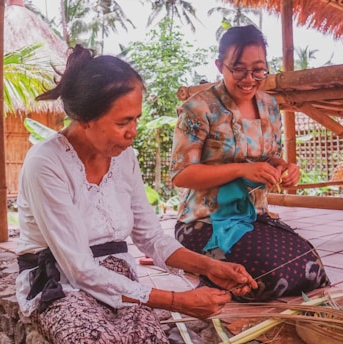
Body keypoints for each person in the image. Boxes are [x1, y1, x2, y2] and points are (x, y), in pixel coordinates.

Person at [14, 45, 257, 344]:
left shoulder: (123, 157)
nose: (134, 131)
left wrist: (211, 267)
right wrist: (178, 301)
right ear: (85, 118)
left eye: (136, 119)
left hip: (119, 280)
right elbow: (78, 269)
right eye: (123, 122)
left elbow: (151, 238)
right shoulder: (46, 163)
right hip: (61, 283)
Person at [170, 25, 330, 302]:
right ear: (220, 65)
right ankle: (198, 263)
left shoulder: (269, 105)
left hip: (254, 217)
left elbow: (270, 155)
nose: (249, 79)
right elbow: (182, 175)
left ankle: (210, 269)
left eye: (258, 69)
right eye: (239, 69)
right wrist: (242, 170)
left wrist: (286, 166)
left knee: (311, 268)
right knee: (267, 280)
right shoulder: (199, 108)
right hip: (203, 221)